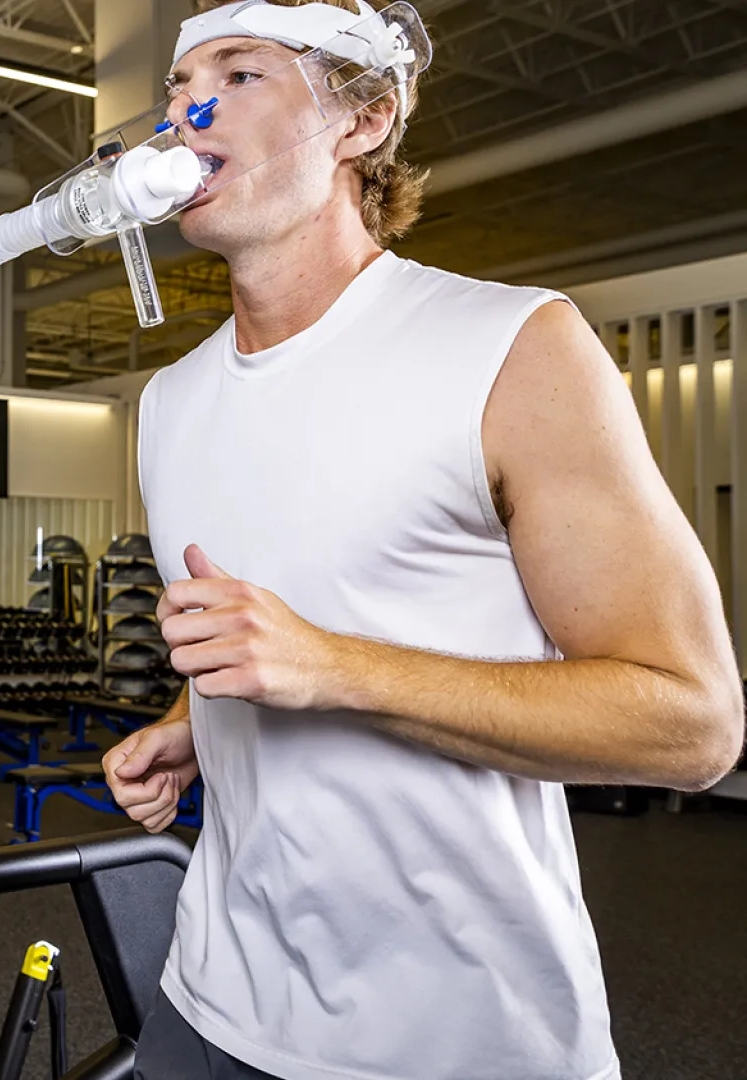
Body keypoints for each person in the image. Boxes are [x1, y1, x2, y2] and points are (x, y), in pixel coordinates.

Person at [104, 3, 745, 1079]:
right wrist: (195, 714)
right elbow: (299, 613)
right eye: (176, 83)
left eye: (240, 71)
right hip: (210, 998)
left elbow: (689, 723)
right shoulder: (169, 404)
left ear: (364, 117)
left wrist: (332, 669)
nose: (188, 108)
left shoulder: (511, 348)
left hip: (457, 1038)